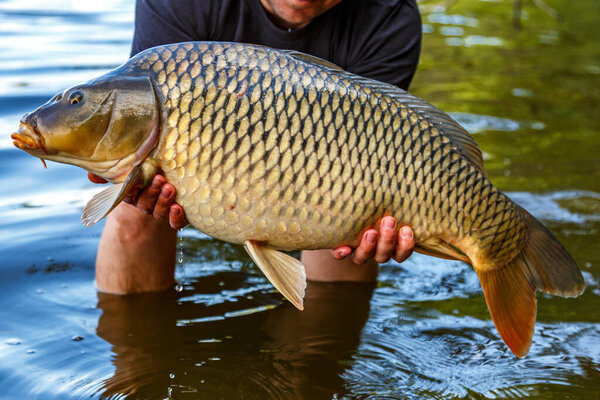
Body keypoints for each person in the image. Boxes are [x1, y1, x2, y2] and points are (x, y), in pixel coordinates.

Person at [92, 0, 422, 294]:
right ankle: (132, 351)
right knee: (136, 188)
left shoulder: (389, 16)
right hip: (196, 143)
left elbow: (380, 154)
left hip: (323, 159)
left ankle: (321, 349)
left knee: (351, 225)